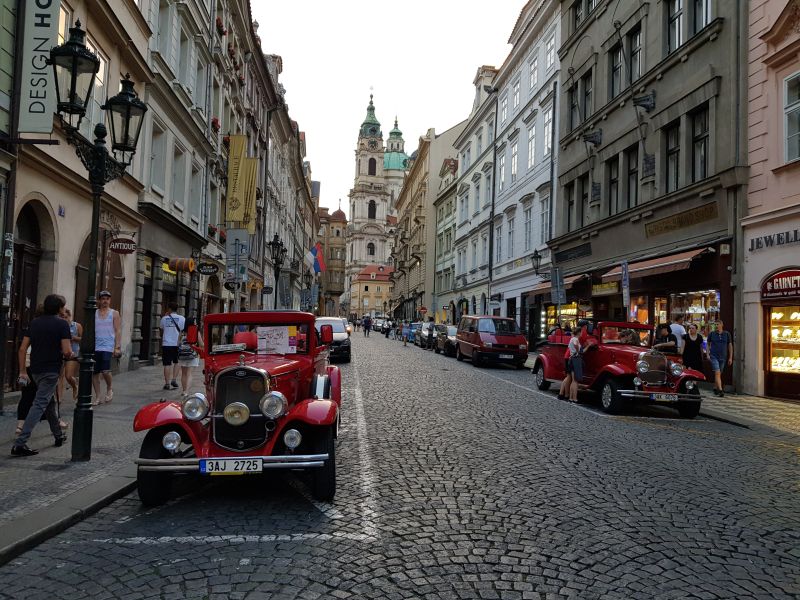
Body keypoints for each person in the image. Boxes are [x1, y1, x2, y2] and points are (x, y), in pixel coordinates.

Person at [11, 294, 73, 456]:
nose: (64, 309)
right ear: (59, 308)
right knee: (39, 404)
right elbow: (67, 351)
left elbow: (23, 348)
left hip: (35, 369)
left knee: (49, 403)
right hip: (51, 370)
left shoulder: (35, 323)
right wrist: (71, 355)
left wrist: (23, 371)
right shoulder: (62, 325)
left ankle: (58, 436)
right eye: (63, 306)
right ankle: (20, 443)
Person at [93, 290, 121, 405]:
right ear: (99, 300)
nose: (105, 301)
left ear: (110, 300)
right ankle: (98, 396)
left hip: (108, 345)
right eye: (103, 298)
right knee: (94, 372)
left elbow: (117, 330)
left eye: (107, 299)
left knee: (105, 370)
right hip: (95, 346)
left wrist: (117, 346)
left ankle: (109, 388)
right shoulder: (94, 313)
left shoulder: (114, 313)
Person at [58, 308, 82, 405]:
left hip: (73, 353)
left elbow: (83, 338)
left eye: (66, 317)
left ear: (70, 317)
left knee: (68, 376)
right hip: (60, 352)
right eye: (62, 317)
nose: (64, 319)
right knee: (59, 376)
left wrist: (74, 338)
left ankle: (74, 385)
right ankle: (59, 397)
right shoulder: (58, 326)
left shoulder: (77, 326)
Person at [160, 301, 185, 391]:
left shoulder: (164, 318)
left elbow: (162, 330)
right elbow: (182, 331)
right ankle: (174, 380)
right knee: (177, 362)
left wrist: (166, 316)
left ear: (169, 309)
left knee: (167, 364)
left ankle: (167, 383)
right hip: (177, 344)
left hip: (166, 344)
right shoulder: (182, 318)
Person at [179, 317, 203, 398]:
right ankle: (186, 392)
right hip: (192, 354)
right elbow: (201, 344)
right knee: (189, 373)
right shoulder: (196, 331)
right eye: (195, 322)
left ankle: (183, 390)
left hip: (182, 355)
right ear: (192, 323)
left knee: (184, 373)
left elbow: (178, 343)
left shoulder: (182, 332)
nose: (196, 323)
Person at [707, 320, 733, 397]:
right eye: (715, 324)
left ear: (722, 325)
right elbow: (708, 344)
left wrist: (730, 357)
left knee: (719, 373)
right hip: (714, 356)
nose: (716, 326)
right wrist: (707, 354)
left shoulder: (727, 334)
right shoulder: (712, 334)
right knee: (717, 372)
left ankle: (715, 387)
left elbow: (730, 346)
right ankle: (721, 390)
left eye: (717, 324)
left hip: (723, 357)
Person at [566, 328, 583, 402]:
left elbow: (570, 348)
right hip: (576, 359)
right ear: (579, 332)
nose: (581, 333)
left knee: (573, 380)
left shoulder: (571, 339)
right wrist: (577, 351)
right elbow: (576, 345)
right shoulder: (575, 339)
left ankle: (571, 397)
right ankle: (575, 398)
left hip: (571, 359)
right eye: (581, 332)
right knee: (575, 380)